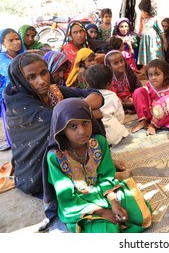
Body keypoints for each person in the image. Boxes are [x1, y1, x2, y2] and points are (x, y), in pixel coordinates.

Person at [3, 52, 104, 197]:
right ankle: (83, 172)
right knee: (77, 125)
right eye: (32, 77)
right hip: (36, 172)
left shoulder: (53, 91)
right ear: (21, 80)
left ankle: (93, 165)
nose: (42, 81)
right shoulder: (19, 104)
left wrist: (82, 108)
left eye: (44, 73)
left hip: (64, 152)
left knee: (80, 123)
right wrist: (88, 113)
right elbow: (56, 121)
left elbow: (95, 94)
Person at [46, 98, 152, 232]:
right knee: (107, 230)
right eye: (73, 126)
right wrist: (101, 212)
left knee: (140, 214)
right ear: (62, 129)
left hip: (104, 191)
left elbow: (106, 176)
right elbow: (66, 197)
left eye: (85, 123)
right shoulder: (55, 157)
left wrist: (114, 203)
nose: (82, 131)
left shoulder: (98, 142)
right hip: (80, 203)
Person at [131, 59, 169, 135]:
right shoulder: (149, 85)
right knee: (138, 91)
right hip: (152, 113)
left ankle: (153, 126)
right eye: (150, 75)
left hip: (166, 118)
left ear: (165, 75)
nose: (153, 78)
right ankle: (143, 120)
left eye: (157, 74)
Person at [86, 64, 130, 147]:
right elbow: (120, 116)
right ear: (109, 83)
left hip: (96, 138)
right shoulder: (112, 95)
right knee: (121, 128)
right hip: (114, 135)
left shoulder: (87, 98)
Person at [137, 0, 168, 74]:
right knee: (146, 55)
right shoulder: (144, 20)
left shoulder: (154, 20)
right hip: (145, 42)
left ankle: (154, 70)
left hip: (153, 43)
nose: (141, 13)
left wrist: (164, 42)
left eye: (141, 11)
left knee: (153, 55)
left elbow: (161, 32)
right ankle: (145, 69)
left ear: (146, 12)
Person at [0, 28, 25, 102]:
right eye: (11, 40)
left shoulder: (24, 56)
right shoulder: (2, 58)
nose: (16, 42)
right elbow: (12, 71)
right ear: (3, 43)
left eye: (17, 39)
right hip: (9, 94)